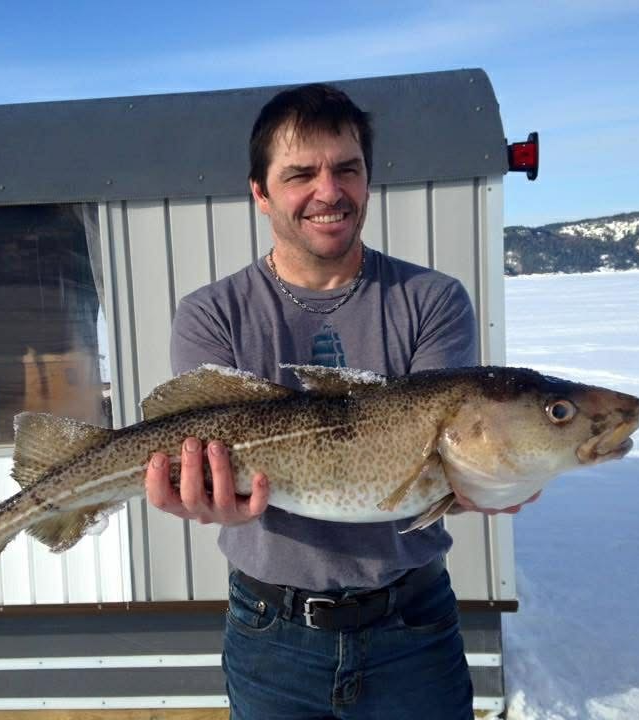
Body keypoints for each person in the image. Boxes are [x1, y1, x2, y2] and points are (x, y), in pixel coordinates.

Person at [145, 83, 536, 719]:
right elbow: (200, 448)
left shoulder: (431, 300)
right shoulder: (211, 313)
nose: (329, 192)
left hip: (413, 625)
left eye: (347, 169)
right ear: (260, 193)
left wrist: (488, 477)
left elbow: (438, 454)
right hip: (271, 631)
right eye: (300, 174)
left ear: (368, 181)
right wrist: (201, 495)